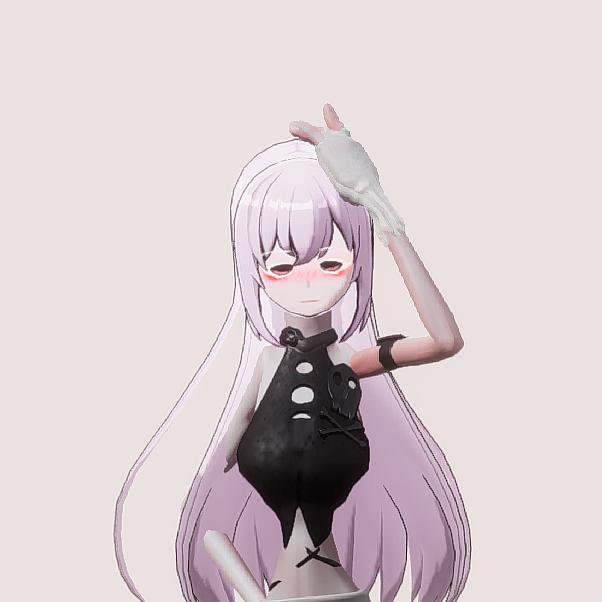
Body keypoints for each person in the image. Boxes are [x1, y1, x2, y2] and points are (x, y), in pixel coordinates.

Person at [114, 104, 471, 602]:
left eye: (330, 262)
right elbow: (220, 462)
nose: (306, 281)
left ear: (356, 264)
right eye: (281, 266)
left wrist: (376, 204)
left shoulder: (349, 362)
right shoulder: (263, 367)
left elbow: (445, 341)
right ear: (253, 270)